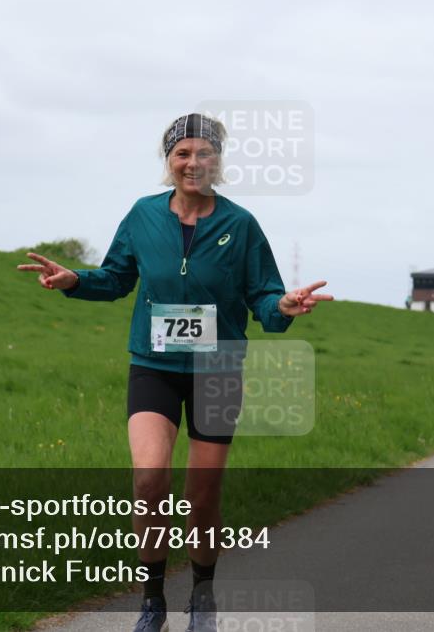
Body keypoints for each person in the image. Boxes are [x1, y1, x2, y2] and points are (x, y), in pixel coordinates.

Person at [17, 113, 333, 632]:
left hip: (218, 368)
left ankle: (203, 597)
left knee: (202, 493)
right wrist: (75, 279)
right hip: (153, 365)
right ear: (168, 160)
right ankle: (152, 600)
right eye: (182, 153)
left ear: (218, 162)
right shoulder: (143, 215)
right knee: (148, 480)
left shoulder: (241, 225)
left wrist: (284, 306)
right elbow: (117, 277)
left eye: (204, 153)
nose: (193, 162)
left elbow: (264, 297)